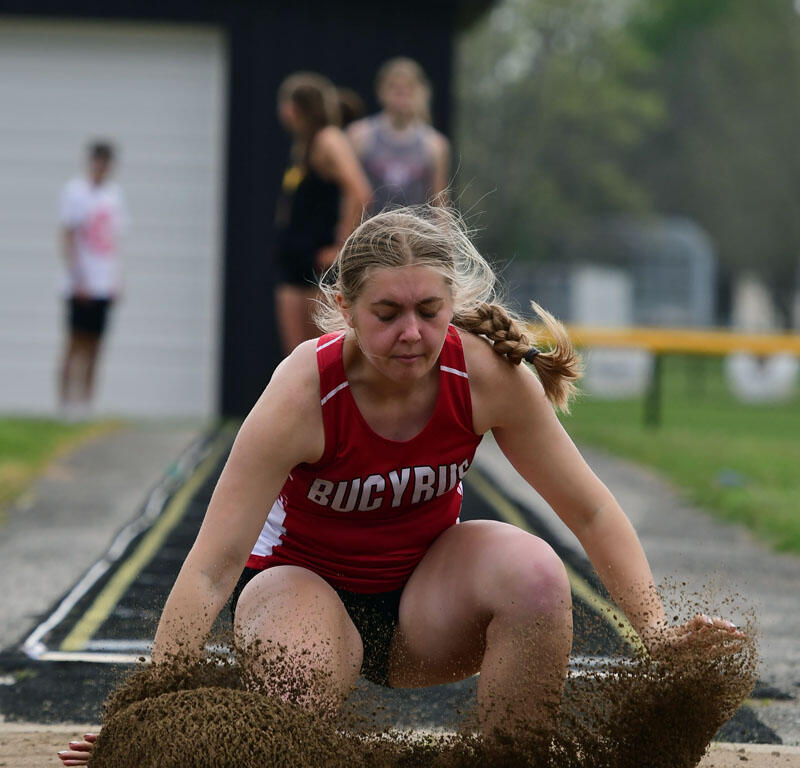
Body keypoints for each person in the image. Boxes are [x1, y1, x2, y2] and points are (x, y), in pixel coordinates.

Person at [58, 205, 742, 765]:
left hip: (424, 609)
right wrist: (141, 715)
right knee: (297, 689)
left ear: (456, 303)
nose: (412, 334)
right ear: (344, 307)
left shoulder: (484, 377)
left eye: (429, 310)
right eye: (387, 313)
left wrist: (656, 629)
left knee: (536, 572)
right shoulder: (302, 392)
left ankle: (508, 759)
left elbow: (589, 511)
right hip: (301, 593)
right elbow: (212, 566)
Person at [273, 72, 372, 354]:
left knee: (323, 356)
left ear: (294, 107)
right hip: (293, 259)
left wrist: (341, 245)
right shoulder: (303, 146)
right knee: (296, 357)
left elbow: (360, 191)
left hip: (318, 262)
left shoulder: (328, 139)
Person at [57, 141, 128, 419]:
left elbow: (113, 241)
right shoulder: (75, 192)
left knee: (96, 345)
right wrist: (78, 278)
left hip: (103, 282)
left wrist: (116, 278)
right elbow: (69, 236)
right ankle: (65, 403)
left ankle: (86, 404)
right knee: (75, 342)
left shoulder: (114, 196)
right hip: (80, 283)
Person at [348, 57, 451, 215]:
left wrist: (444, 238)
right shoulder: (359, 135)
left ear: (421, 93)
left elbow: (440, 204)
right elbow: (349, 196)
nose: (402, 95)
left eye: (409, 88)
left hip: (413, 236)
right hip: (368, 235)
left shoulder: (434, 144)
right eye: (395, 88)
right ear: (380, 91)